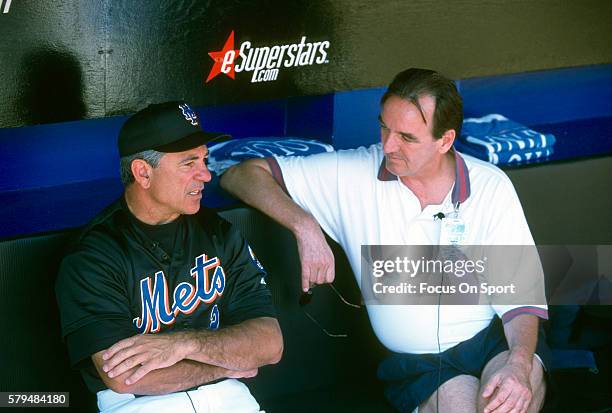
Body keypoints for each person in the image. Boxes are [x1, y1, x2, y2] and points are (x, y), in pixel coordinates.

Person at [220, 69, 549, 413]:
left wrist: (519, 363)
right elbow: (240, 175)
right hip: (423, 364)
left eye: (407, 137)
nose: (388, 146)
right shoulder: (351, 174)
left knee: (511, 396)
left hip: (495, 340)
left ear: (445, 140)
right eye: (384, 128)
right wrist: (304, 225)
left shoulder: (490, 186)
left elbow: (520, 300)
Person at [56, 101, 283, 413]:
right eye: (189, 164)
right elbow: (124, 378)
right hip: (138, 405)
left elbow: (270, 343)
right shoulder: (94, 255)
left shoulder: (218, 232)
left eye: (205, 159)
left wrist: (182, 344)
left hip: (228, 396)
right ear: (143, 173)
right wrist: (224, 364)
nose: (206, 175)